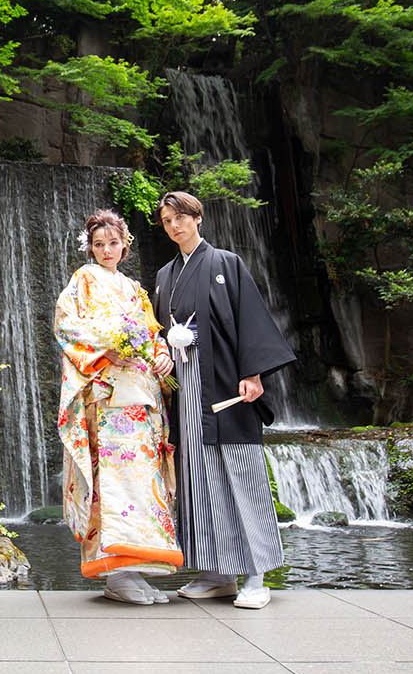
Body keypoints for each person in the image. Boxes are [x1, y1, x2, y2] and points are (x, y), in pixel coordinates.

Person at [152, 191, 296, 609]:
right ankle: (217, 573)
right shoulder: (164, 275)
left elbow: (249, 317)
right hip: (185, 389)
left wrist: (252, 373)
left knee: (239, 474)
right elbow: (158, 330)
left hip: (225, 386)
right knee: (198, 480)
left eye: (181, 217)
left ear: (197, 218)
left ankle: (255, 575)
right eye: (166, 221)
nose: (175, 226)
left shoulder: (225, 263)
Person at [54, 209, 185, 605]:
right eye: (98, 244)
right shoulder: (82, 281)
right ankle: (114, 571)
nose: (106, 250)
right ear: (89, 248)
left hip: (141, 394)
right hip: (107, 394)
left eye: (113, 243)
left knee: (143, 480)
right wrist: (109, 347)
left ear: (124, 245)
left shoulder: (134, 289)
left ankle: (134, 569)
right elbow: (66, 325)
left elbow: (152, 332)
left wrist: (162, 355)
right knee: (111, 480)